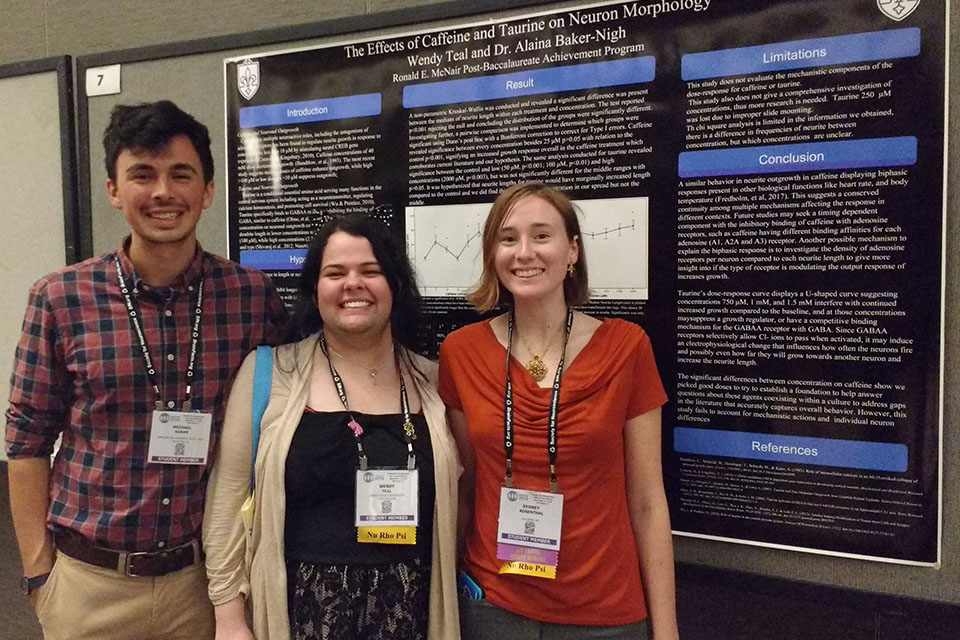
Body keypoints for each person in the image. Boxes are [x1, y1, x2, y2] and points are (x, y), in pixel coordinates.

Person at [5, 100, 288, 640]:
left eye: (181, 175)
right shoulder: (60, 298)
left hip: (203, 584)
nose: (163, 192)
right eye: (142, 175)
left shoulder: (251, 297)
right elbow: (27, 441)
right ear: (113, 190)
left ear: (207, 191)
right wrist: (40, 574)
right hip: (89, 583)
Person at [438, 182, 680, 640]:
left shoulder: (627, 348)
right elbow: (466, 488)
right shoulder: (460, 352)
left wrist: (666, 631)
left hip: (604, 612)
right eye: (507, 239)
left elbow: (648, 502)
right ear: (493, 254)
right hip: (492, 607)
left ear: (572, 250)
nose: (523, 252)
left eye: (541, 235)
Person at [203, 213, 460, 640]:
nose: (353, 284)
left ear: (395, 285)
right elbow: (226, 503)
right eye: (335, 273)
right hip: (301, 614)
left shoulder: (432, 382)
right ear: (315, 290)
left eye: (371, 271)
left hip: (410, 613)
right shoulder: (269, 373)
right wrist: (228, 617)